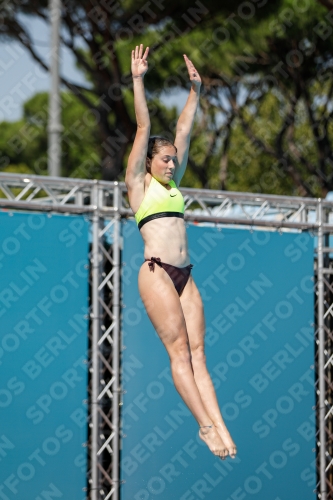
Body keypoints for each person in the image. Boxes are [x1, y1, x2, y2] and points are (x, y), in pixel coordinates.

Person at [125, 44, 237, 460]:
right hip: (155, 272)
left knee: (200, 355)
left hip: (185, 274)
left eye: (174, 160)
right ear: (150, 163)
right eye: (165, 159)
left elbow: (185, 132)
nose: (172, 164)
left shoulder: (173, 187)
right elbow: (142, 128)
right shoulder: (140, 186)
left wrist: (195, 92)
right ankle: (204, 426)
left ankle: (221, 427)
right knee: (179, 356)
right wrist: (138, 80)